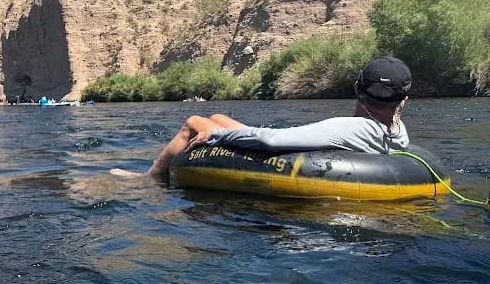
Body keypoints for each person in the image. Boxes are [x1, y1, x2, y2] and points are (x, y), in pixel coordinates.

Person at [148, 56, 413, 177]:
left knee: (196, 122)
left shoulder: (350, 128)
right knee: (217, 114)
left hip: (281, 144)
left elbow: (272, 142)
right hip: (314, 143)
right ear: (403, 99)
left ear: (357, 89)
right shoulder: (398, 130)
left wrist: (217, 135)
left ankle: (150, 180)